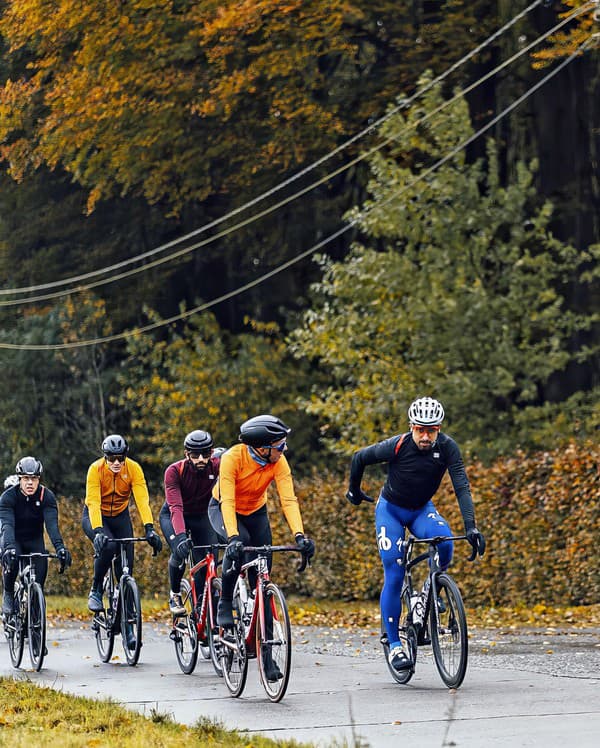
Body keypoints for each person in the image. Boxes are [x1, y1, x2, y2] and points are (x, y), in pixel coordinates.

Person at [346, 397, 485, 672]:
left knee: (445, 545)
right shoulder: (397, 445)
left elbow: (462, 487)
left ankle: (426, 595)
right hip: (391, 511)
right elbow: (359, 457)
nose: (425, 436)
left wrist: (471, 526)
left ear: (439, 429)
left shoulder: (447, 448)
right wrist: (354, 490)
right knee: (395, 571)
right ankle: (395, 644)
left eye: (431, 430)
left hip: (421, 509)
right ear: (411, 426)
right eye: (420, 429)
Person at [208, 414, 315, 681]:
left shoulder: (277, 461)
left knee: (263, 576)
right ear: (261, 447)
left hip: (256, 511)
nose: (284, 449)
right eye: (280, 446)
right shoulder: (233, 458)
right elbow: (228, 501)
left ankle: (267, 656)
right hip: (224, 510)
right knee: (240, 548)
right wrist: (232, 537)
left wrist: (300, 535)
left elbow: (288, 499)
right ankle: (224, 603)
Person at [82, 434, 162, 646]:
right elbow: (94, 502)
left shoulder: (133, 468)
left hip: (120, 516)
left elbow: (142, 499)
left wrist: (149, 529)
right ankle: (97, 588)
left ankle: (128, 631)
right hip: (95, 516)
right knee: (107, 547)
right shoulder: (95, 470)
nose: (116, 463)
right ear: (105, 457)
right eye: (111, 458)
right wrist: (98, 531)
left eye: (120, 458)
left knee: (127, 568)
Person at [159, 429, 221, 616]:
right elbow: (176, 507)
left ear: (212, 453)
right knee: (180, 550)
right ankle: (175, 593)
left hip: (203, 516)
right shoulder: (174, 471)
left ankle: (202, 608)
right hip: (175, 516)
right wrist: (180, 536)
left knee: (209, 560)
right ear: (187, 455)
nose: (201, 459)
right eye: (195, 455)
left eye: (206, 454)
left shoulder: (218, 466)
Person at [0, 457, 72, 616]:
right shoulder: (8, 498)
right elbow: (7, 526)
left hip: (34, 540)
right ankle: (9, 593)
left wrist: (60, 547)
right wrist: (9, 548)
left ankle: (34, 617)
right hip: (14, 539)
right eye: (26, 478)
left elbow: (52, 526)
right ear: (20, 479)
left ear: (39, 479)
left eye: (34, 478)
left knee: (38, 578)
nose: (30, 483)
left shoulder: (47, 497)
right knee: (11, 562)